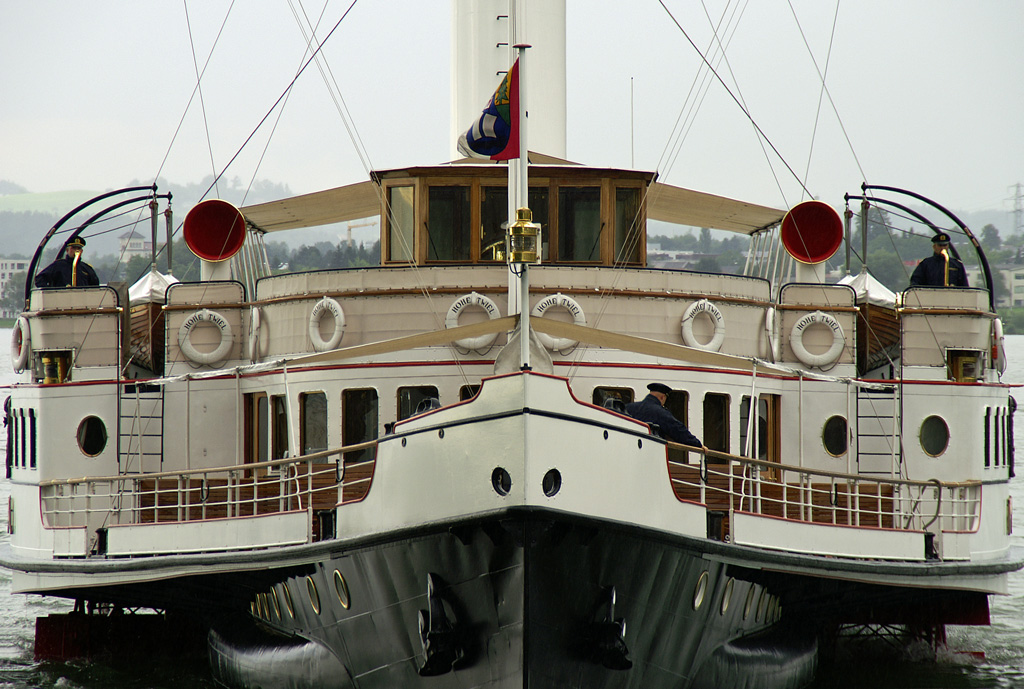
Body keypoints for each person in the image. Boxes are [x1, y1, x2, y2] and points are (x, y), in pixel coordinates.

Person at [625, 382, 703, 449]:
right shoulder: (660, 412)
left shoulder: (628, 407)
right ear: (663, 397)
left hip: (629, 450)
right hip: (650, 453)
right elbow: (677, 430)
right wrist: (697, 444)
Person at [34, 236, 100, 288]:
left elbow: (95, 286)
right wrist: (51, 292)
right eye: (73, 248)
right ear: (67, 250)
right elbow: (39, 279)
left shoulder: (86, 268)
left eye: (78, 248)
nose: (76, 251)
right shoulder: (58, 266)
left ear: (81, 251)